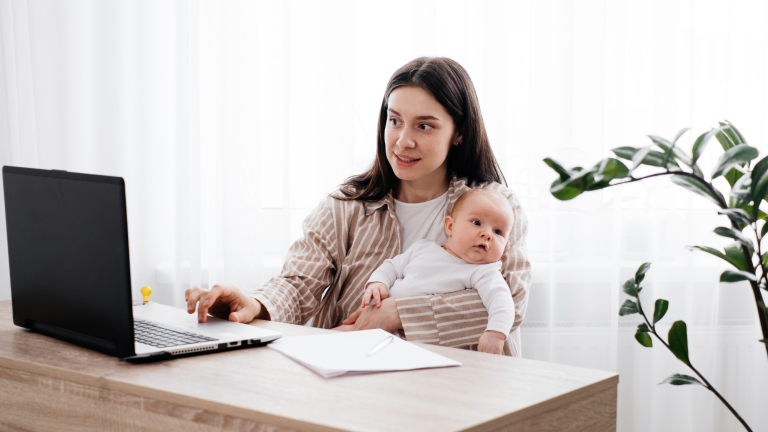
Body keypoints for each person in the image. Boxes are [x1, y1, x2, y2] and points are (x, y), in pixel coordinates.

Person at [185, 57, 532, 356]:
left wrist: (397, 313)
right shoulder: (347, 205)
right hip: (356, 377)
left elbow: (511, 301)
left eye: (424, 126)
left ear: (459, 132)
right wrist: (253, 304)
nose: (403, 140)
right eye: (394, 120)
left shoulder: (497, 208)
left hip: (462, 385)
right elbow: (298, 283)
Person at [360, 188, 515, 355]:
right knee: (342, 334)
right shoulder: (423, 247)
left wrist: (495, 333)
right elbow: (391, 266)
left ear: (505, 246)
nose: (487, 234)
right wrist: (378, 282)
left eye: (498, 232)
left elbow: (502, 301)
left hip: (416, 340)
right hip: (374, 321)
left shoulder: (483, 271)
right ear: (450, 226)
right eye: (477, 223)